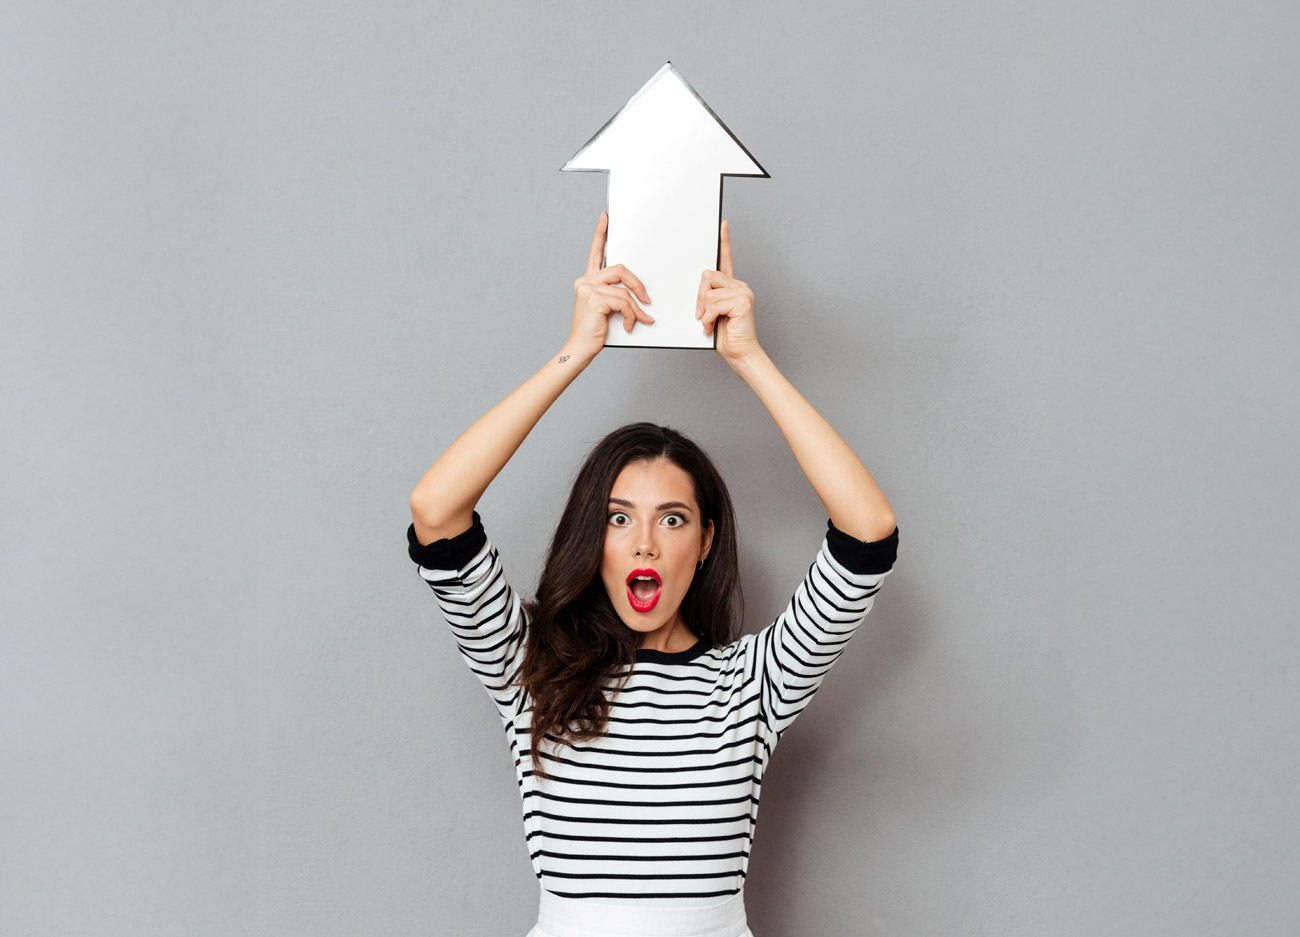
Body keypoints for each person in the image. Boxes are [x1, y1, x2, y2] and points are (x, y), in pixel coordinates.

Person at [407, 213, 899, 937]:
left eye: (672, 519)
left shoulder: (754, 682)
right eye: (618, 518)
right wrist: (576, 350)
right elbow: (436, 511)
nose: (644, 545)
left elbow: (867, 533)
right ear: (593, 537)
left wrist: (750, 358)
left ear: (704, 542)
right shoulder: (527, 667)